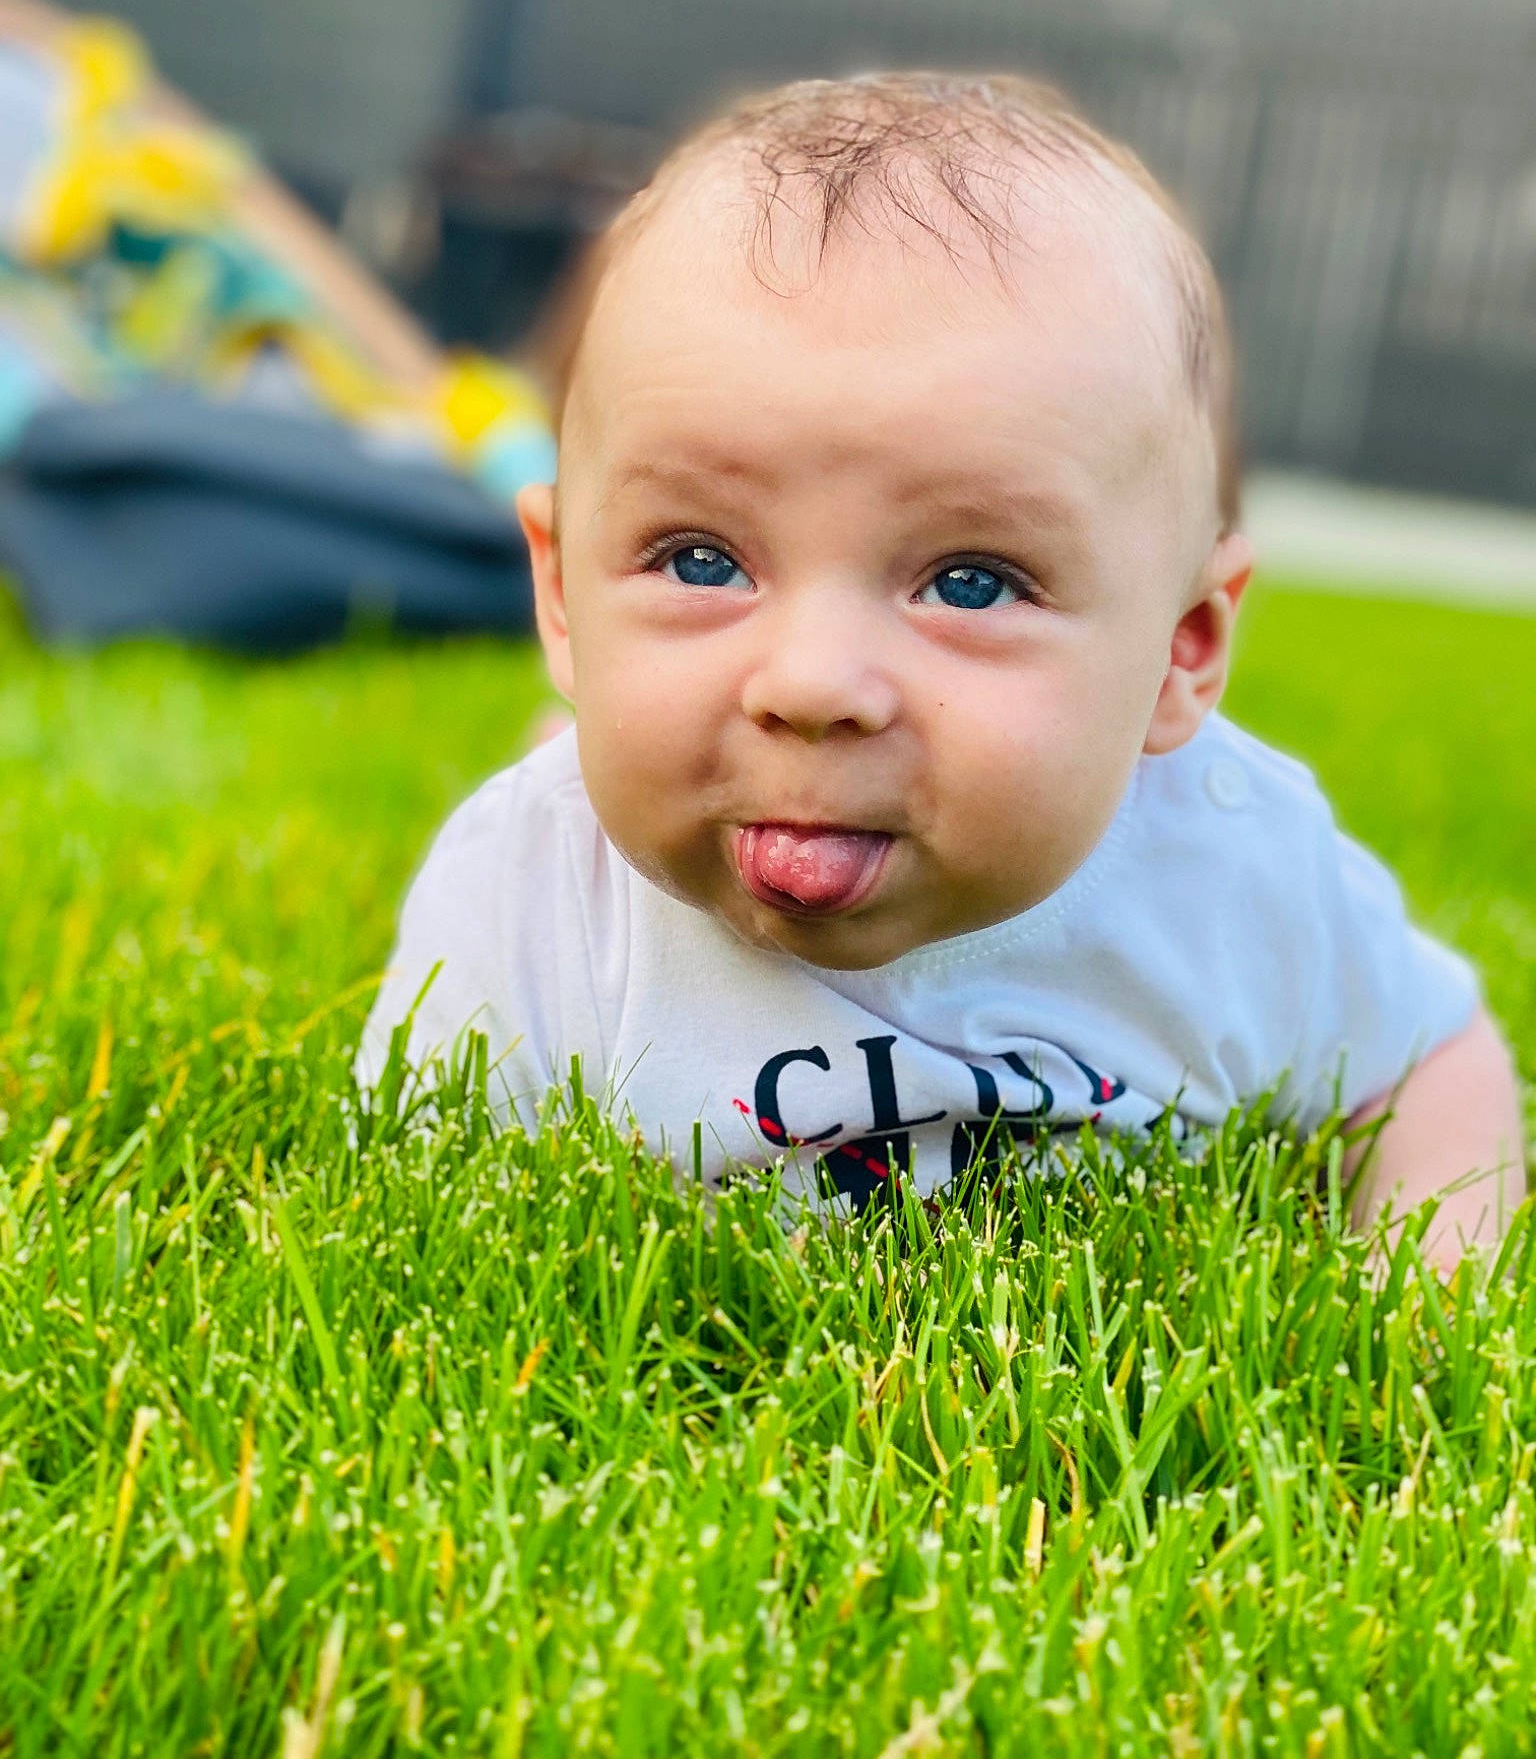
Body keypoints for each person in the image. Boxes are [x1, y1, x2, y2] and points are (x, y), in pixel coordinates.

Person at [357, 72, 1525, 1274]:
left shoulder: (1237, 867)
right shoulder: (532, 897)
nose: (812, 685)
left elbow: (1428, 1061)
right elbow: (428, 1211)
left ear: (1183, 648)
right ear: (560, 593)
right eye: (700, 560)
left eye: (970, 583)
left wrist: (1420, 1295)